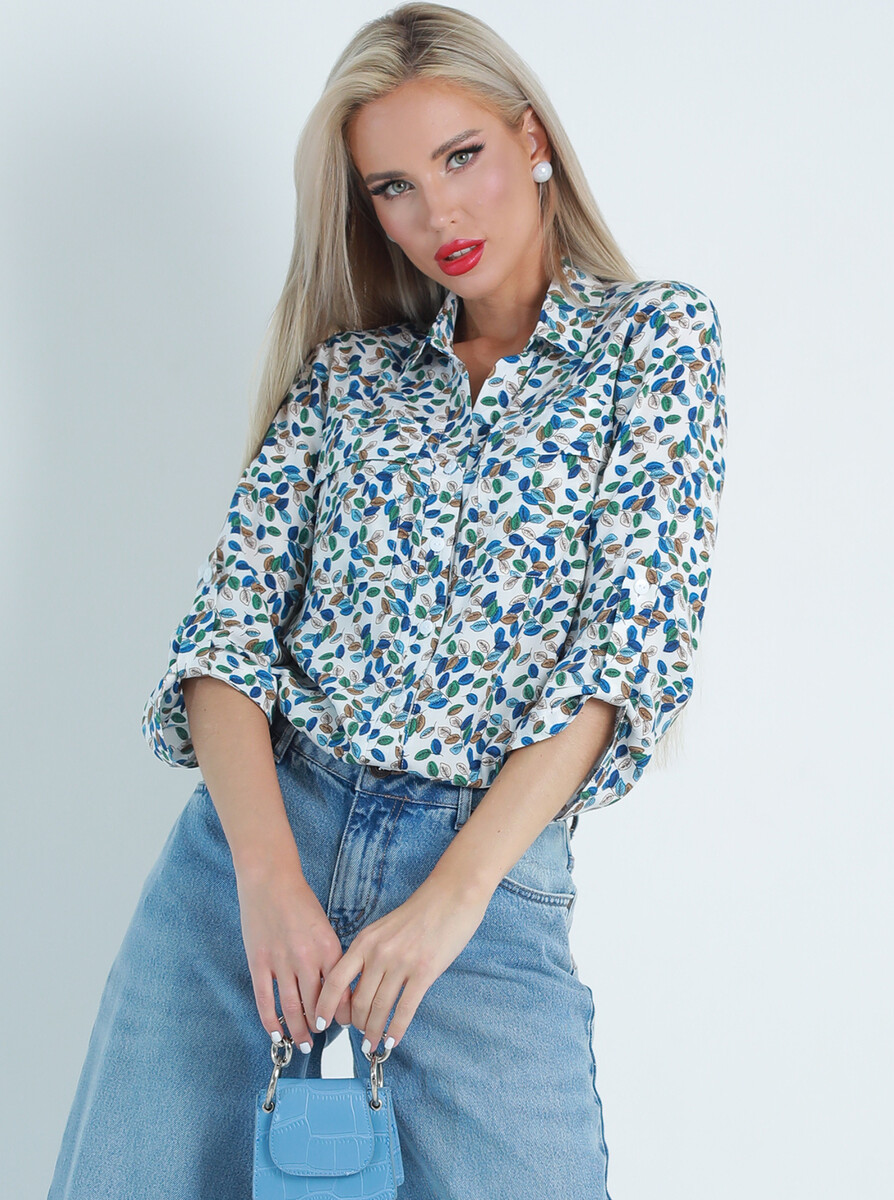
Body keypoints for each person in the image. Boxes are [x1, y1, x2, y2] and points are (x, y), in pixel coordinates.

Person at [47, 4, 727, 1198]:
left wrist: (450, 901)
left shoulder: (653, 342)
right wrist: (265, 881)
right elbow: (223, 642)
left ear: (530, 139)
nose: (437, 216)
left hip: (481, 893)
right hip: (254, 863)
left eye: (461, 156)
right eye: (393, 187)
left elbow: (625, 656)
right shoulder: (351, 376)